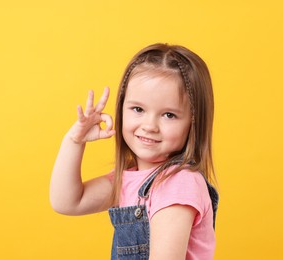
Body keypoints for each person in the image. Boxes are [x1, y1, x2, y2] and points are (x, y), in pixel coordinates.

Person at [50, 43, 218, 260]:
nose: (149, 125)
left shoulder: (178, 184)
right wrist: (75, 140)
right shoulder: (129, 180)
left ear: (194, 123)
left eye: (168, 115)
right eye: (138, 109)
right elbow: (67, 202)